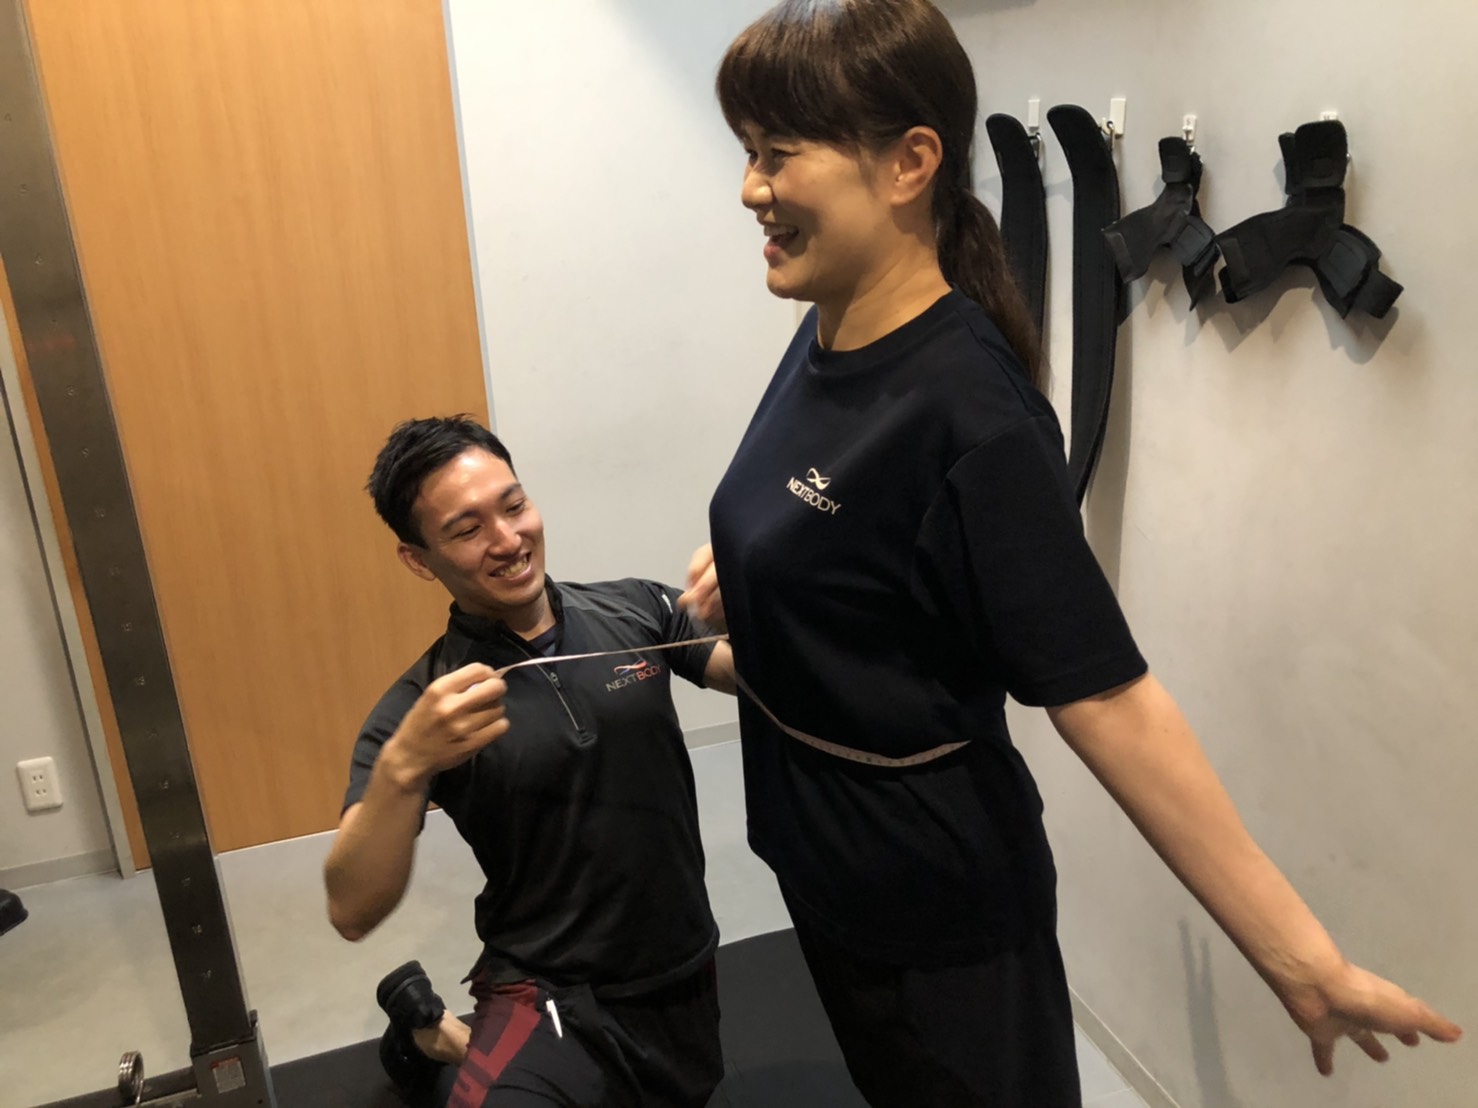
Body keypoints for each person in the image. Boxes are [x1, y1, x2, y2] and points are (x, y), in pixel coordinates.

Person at [679, 2, 1463, 1105]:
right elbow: (868, 576)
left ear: (908, 164)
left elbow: (1107, 697)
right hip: (825, 872)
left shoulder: (973, 415)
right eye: (748, 153)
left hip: (937, 919)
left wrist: (1300, 960)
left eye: (776, 153)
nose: (750, 188)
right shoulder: (830, 328)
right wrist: (763, 571)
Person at [324, 416, 734, 1108]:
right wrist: (405, 766)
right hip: (548, 993)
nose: (508, 539)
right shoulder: (423, 707)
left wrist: (761, 598)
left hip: (678, 965)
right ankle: (453, 1038)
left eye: (513, 506)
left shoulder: (633, 609)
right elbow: (351, 908)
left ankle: (434, 1034)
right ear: (419, 560)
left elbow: (772, 682)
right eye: (467, 529)